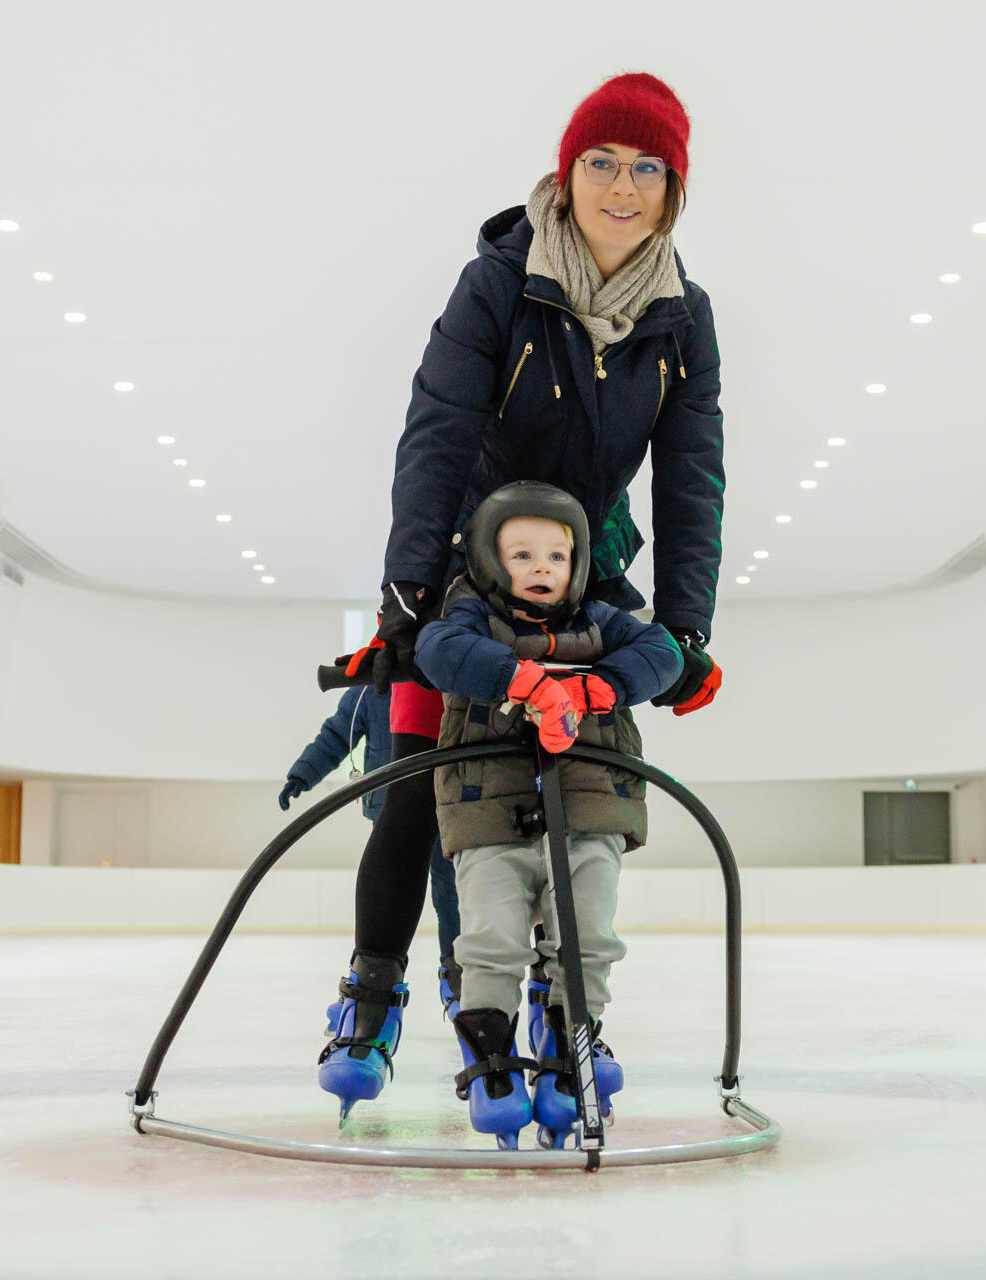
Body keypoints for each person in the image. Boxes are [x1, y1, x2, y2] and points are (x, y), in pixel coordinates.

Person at [316, 71, 726, 1120]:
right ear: (566, 172)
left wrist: (685, 626)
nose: (622, 187)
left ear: (673, 189)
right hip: (464, 566)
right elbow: (438, 426)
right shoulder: (500, 280)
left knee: (582, 783)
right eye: (602, 162)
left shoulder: (683, 315)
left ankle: (560, 993)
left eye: (647, 169)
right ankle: (374, 989)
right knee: (421, 780)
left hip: (580, 567)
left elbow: (692, 472)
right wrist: (410, 590)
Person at [414, 482, 681, 1149]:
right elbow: (437, 649)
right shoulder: (469, 619)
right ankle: (491, 1056)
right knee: (491, 940)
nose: (541, 568)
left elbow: (662, 654)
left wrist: (598, 686)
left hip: (590, 809)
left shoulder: (601, 621)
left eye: (556, 556)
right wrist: (522, 679)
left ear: (579, 563)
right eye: (522, 555)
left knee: (587, 936)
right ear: (488, 560)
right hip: (488, 813)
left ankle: (571, 1042)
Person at [277, 685, 460, 1022]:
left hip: (449, 807)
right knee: (385, 901)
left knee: (452, 895)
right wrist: (303, 774)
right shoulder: (368, 691)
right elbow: (336, 735)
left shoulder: (446, 680)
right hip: (393, 810)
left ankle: (458, 979)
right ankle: (367, 987)